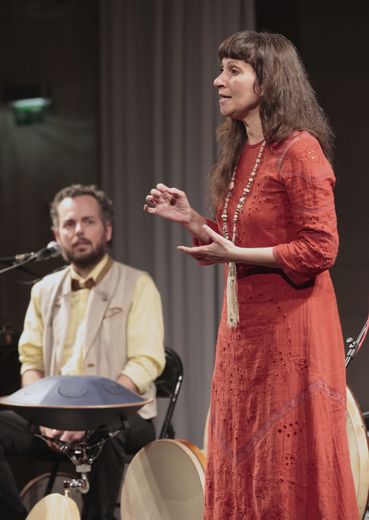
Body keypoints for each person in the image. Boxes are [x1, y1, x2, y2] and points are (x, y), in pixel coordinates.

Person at [144, 31, 359, 519]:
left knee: (284, 456)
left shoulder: (300, 150)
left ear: (268, 81)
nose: (218, 81)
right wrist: (195, 222)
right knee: (243, 449)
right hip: (243, 336)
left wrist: (236, 251)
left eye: (233, 71)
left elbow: (320, 248)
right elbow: (239, 242)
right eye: (222, 69)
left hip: (292, 332)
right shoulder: (242, 154)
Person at [0, 184, 165, 520]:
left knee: (105, 434)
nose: (78, 231)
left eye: (88, 222)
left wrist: (91, 415)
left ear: (107, 229)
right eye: (69, 224)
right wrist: (43, 413)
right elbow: (30, 360)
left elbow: (145, 361)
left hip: (118, 416)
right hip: (53, 418)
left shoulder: (137, 284)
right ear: (56, 235)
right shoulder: (44, 290)